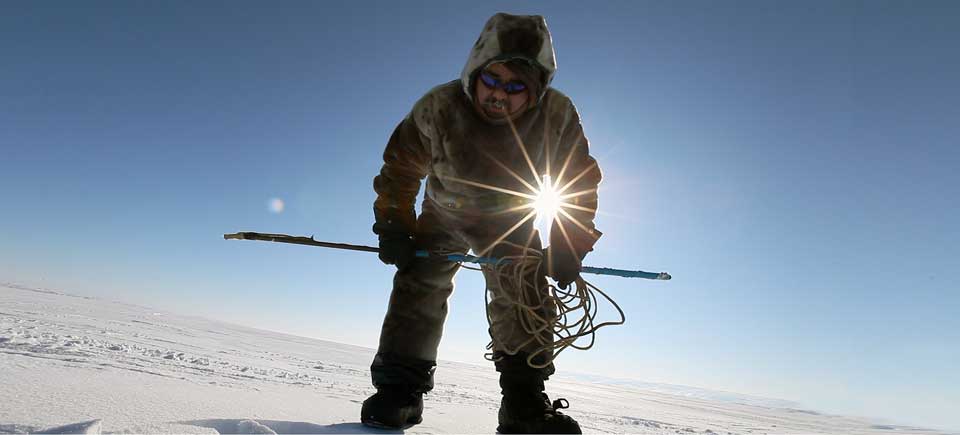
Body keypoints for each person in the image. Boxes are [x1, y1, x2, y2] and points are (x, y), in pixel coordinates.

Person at [362, 12, 602, 434]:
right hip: (443, 213)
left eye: (515, 88)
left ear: (536, 91)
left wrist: (568, 243)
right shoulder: (439, 105)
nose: (499, 95)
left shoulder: (556, 115)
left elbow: (577, 179)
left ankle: (523, 404)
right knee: (419, 284)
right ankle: (399, 392)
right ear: (475, 70)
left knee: (524, 291)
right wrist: (394, 225)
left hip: (510, 218)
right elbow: (400, 169)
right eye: (492, 80)